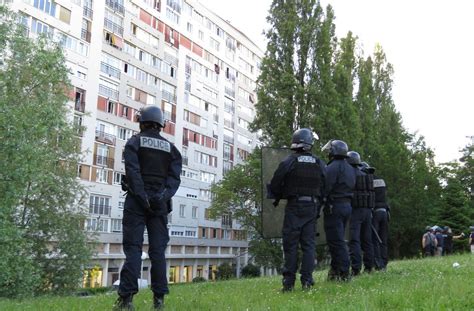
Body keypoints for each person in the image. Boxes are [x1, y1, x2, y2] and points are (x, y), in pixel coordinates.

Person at [114, 106, 182, 311]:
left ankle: (126, 301)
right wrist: (161, 197)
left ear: (142, 122)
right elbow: (174, 179)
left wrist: (142, 196)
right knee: (158, 251)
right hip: (160, 205)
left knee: (133, 250)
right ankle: (159, 300)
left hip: (136, 202)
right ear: (161, 124)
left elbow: (133, 172)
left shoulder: (134, 142)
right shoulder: (171, 149)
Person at [269, 128, 326, 291]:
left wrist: (281, 194)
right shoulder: (319, 162)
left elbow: (275, 183)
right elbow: (326, 185)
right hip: (312, 207)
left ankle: (288, 284)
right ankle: (307, 281)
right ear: (309, 143)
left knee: (291, 245)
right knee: (309, 245)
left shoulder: (289, 161)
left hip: (294, 207)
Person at [321, 140, 356, 281]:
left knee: (336, 241)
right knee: (338, 239)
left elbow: (326, 187)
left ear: (334, 151)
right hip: (347, 206)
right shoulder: (349, 168)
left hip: (334, 206)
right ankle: (334, 271)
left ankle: (343, 272)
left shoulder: (332, 167)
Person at [346, 152, 374, 276]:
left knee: (354, 240)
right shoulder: (365, 174)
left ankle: (356, 268)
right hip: (367, 211)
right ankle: (369, 267)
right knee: (367, 240)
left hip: (355, 210)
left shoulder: (350, 174)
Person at [363, 162, 390, 271]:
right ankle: (384, 262)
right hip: (385, 211)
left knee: (375, 239)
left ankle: (379, 264)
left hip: (375, 213)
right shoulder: (381, 180)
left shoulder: (367, 181)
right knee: (383, 239)